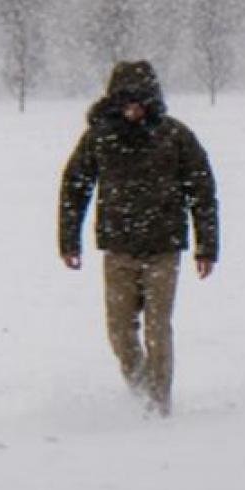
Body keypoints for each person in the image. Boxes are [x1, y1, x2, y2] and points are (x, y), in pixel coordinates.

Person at [58, 60, 219, 417]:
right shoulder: (99, 138)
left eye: (140, 99)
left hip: (164, 250)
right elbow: (75, 187)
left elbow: (202, 190)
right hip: (118, 251)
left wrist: (206, 246)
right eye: (126, 100)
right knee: (119, 332)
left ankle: (159, 404)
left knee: (157, 330)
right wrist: (69, 241)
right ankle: (141, 387)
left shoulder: (175, 136)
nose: (133, 108)